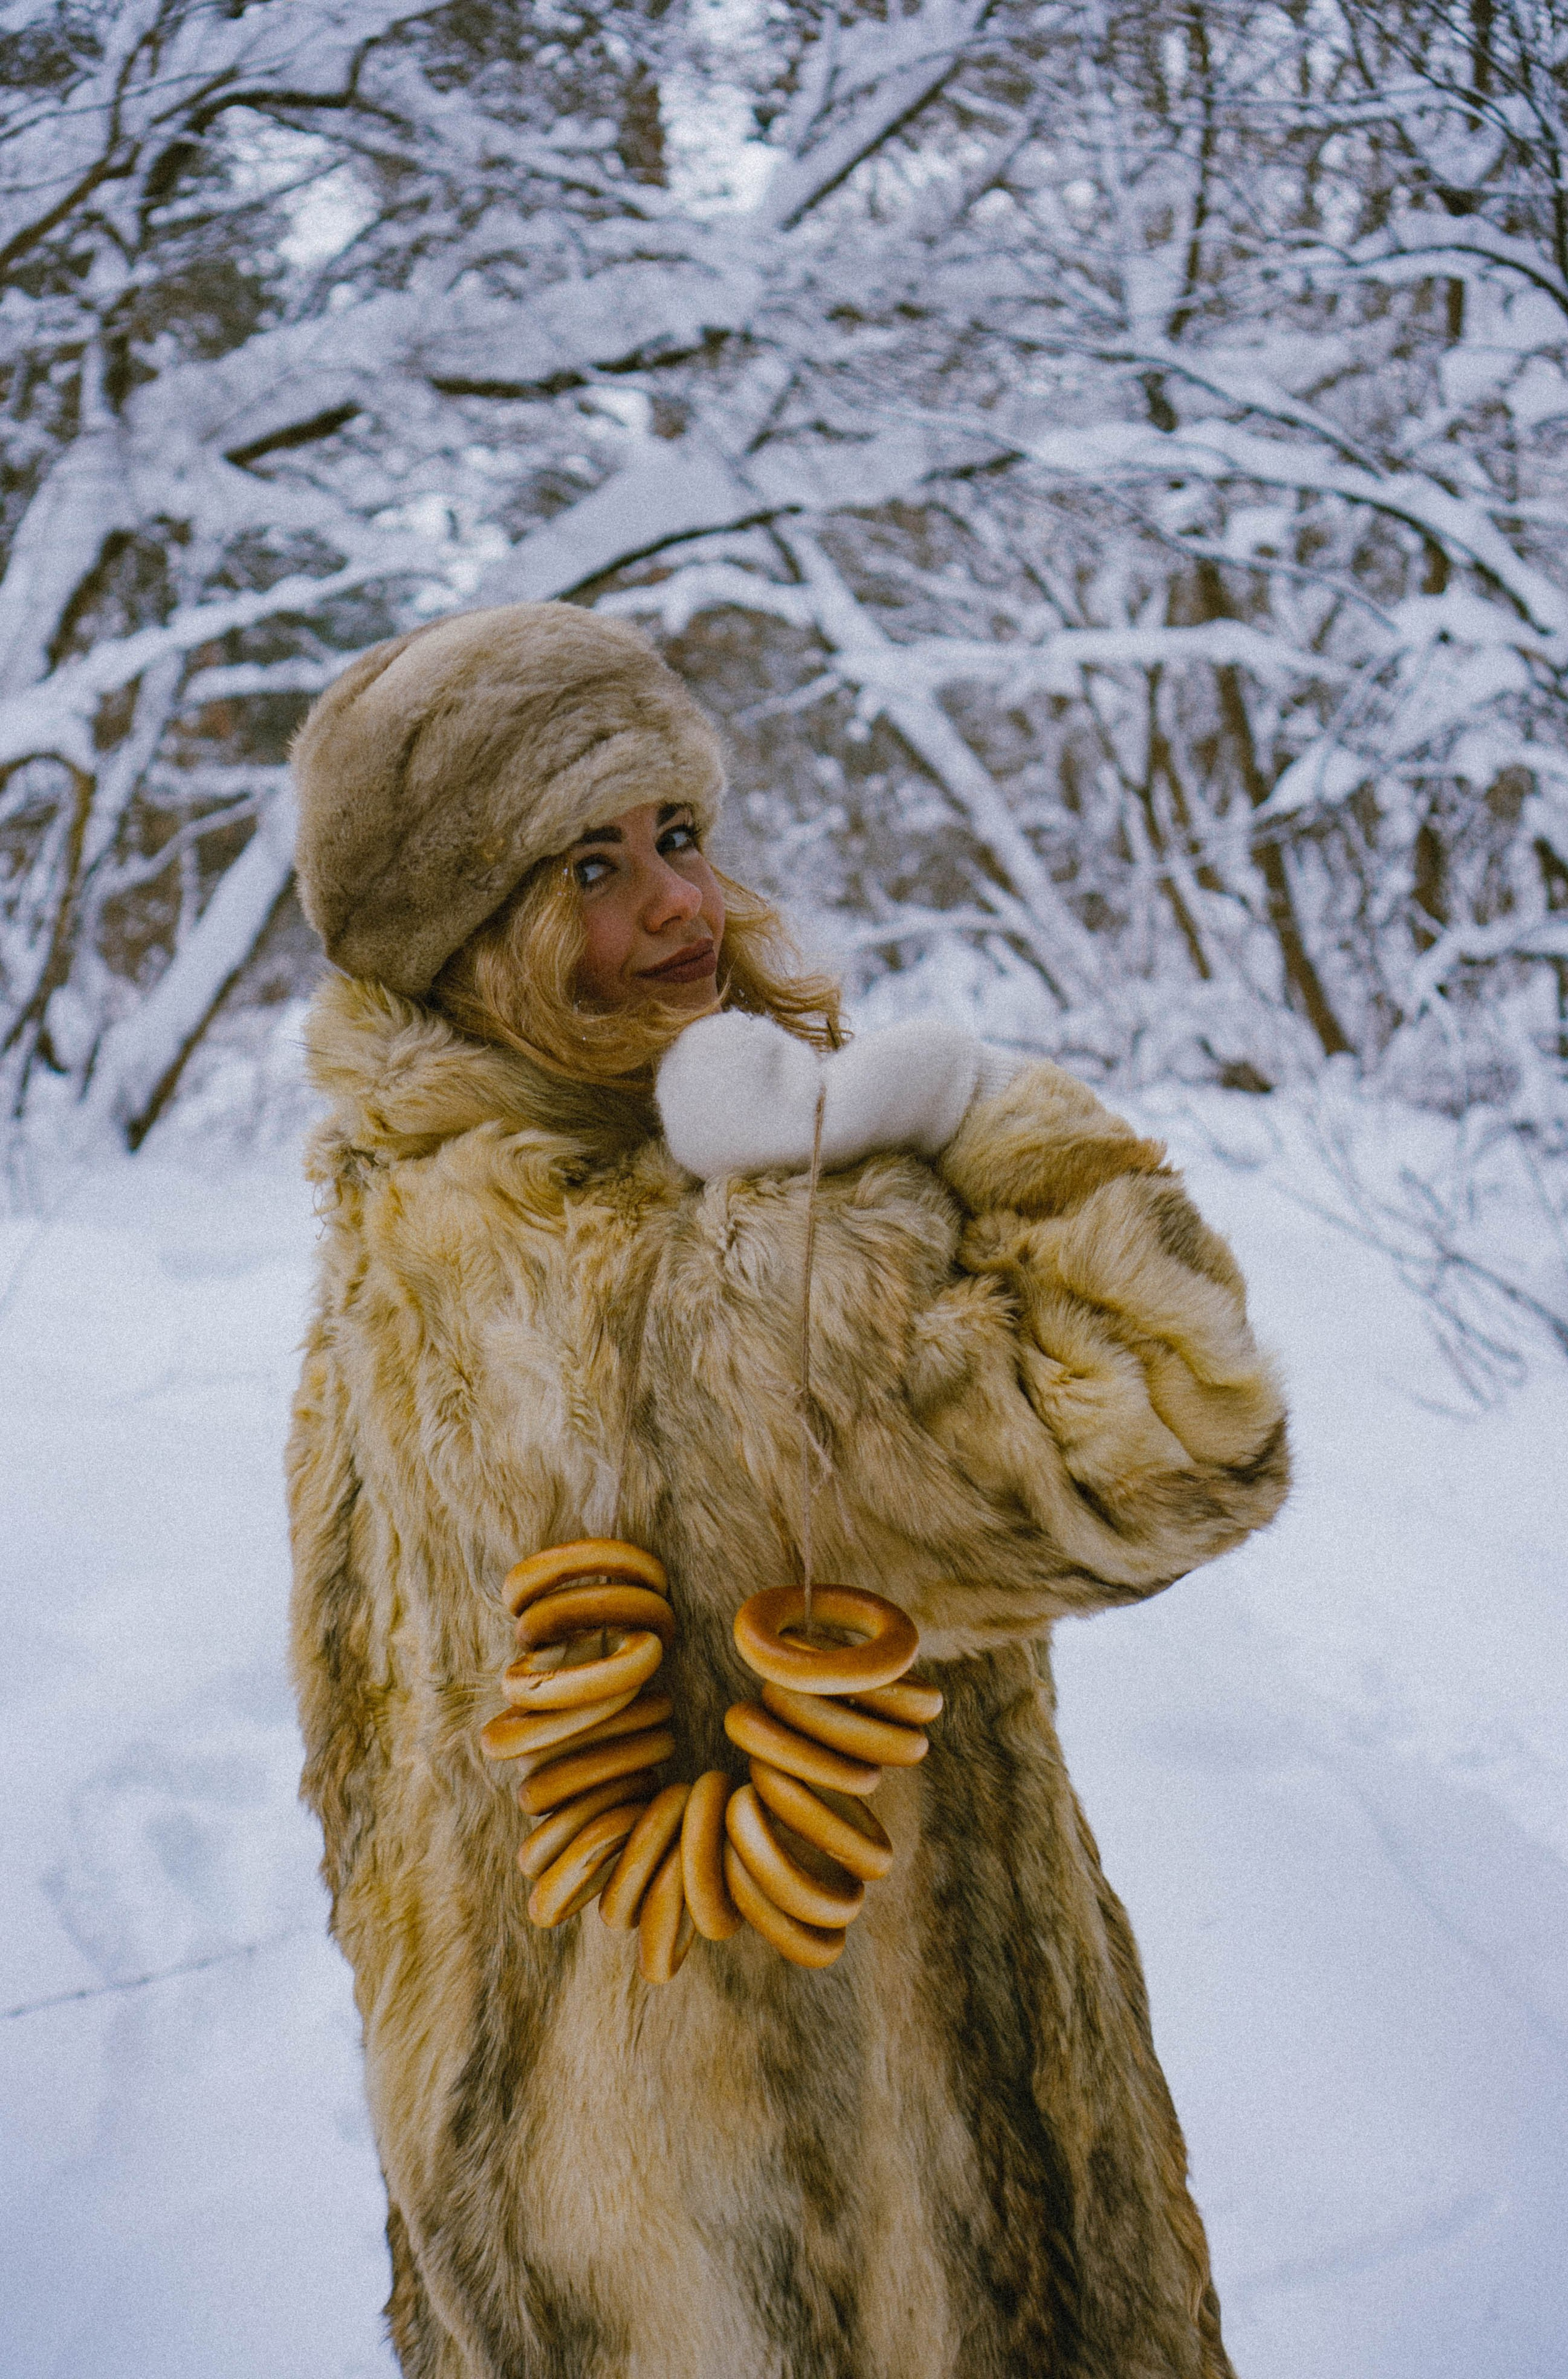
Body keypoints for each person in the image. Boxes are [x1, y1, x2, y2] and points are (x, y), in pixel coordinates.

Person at [286, 600, 1289, 2379]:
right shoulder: (700, 1269)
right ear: (470, 931)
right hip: (850, 2236)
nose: (683, 901)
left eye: (678, 832)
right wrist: (976, 1111)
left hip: (554, 2211)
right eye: (588, 865)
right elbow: (1186, 1434)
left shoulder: (396, 1213)